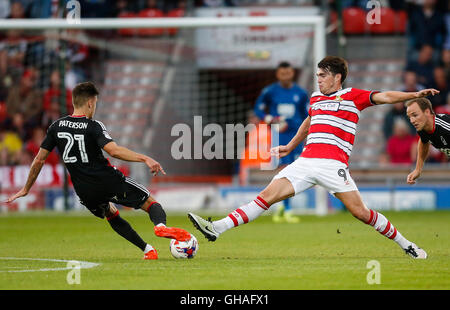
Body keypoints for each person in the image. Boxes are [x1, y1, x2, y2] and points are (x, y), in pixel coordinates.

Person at [188, 56, 440, 259]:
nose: (318, 79)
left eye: (322, 75)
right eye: (317, 75)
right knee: (266, 196)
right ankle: (217, 228)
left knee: (361, 213)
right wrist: (289, 145)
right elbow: (309, 122)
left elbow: (385, 96)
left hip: (333, 165)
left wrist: (414, 95)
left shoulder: (353, 96)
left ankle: (407, 245)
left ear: (337, 77)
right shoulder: (316, 99)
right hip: (305, 162)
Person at [4, 82, 191, 260]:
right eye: (95, 104)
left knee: (110, 213)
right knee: (151, 203)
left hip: (84, 190)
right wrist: (145, 158)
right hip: (107, 180)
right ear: (90, 103)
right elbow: (114, 151)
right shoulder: (93, 126)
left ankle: (147, 250)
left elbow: (39, 160)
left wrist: (26, 188)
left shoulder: (56, 127)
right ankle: (160, 227)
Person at [253, 61, 309, 223]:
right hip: (280, 135)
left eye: (288, 73)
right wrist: (269, 118)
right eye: (282, 73)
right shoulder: (270, 91)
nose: (285, 76)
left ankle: (283, 208)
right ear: (278, 74)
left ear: (293, 74)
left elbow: (307, 114)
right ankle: (284, 209)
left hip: (296, 136)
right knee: (285, 170)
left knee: (294, 172)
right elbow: (258, 108)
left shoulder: (301, 93)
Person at [406, 97, 450, 184]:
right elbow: (423, 142)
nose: (412, 121)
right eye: (409, 117)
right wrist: (418, 169)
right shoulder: (423, 129)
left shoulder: (445, 126)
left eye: (415, 115)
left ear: (427, 112)